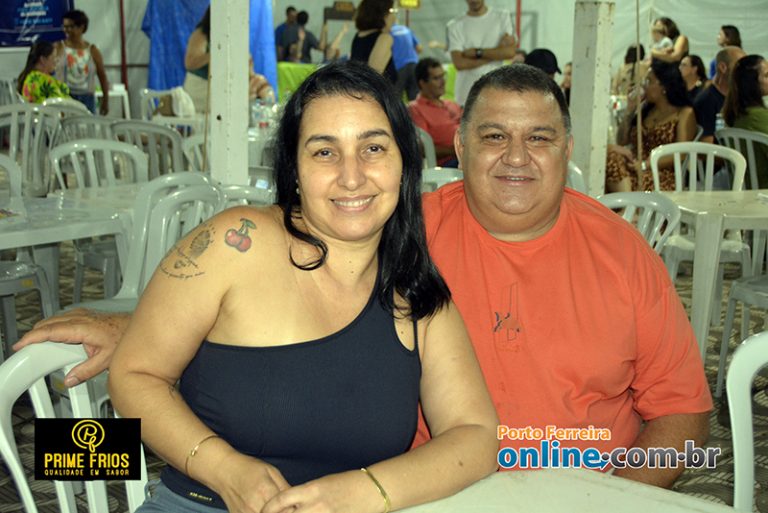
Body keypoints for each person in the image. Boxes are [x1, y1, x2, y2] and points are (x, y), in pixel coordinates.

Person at [17, 64, 712, 489]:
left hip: (512, 485)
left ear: (568, 147)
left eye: (540, 137)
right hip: (337, 490)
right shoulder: (398, 231)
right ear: (456, 146)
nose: (516, 158)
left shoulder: (619, 256)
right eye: (494, 136)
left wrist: (613, 497)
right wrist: (147, 329)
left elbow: (685, 415)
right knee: (72, 455)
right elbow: (256, 305)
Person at [97, 61, 498, 512]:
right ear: (294, 171)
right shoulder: (237, 243)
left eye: (373, 148)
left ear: (404, 164)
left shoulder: (413, 289)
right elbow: (134, 375)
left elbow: (476, 435)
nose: (351, 176)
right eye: (324, 152)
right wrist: (224, 468)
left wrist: (367, 491)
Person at [606, 60, 696, 192]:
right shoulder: (645, 111)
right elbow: (622, 140)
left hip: (660, 174)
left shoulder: (684, 113)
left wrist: (645, 164)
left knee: (615, 178)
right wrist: (630, 110)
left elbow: (681, 153)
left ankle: (627, 202)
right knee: (609, 159)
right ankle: (626, 201)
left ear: (664, 86)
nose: (644, 86)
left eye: (649, 81)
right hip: (632, 167)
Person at [184, 8, 274, 113]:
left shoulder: (234, 35)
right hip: (200, 90)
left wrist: (255, 81)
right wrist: (216, 52)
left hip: (226, 91)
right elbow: (190, 63)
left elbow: (247, 64)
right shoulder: (202, 34)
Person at [446, 0, 516, 106]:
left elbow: (509, 52)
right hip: (466, 95)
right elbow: (460, 63)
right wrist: (497, 51)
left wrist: (477, 53)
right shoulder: (454, 25)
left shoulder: (503, 17)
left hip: (496, 92)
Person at [722, 54, 768, 188]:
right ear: (753, 83)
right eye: (766, 75)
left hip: (745, 188)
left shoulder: (735, 115)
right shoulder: (758, 117)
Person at [408, 57, 462, 167]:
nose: (443, 82)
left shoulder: (451, 104)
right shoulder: (415, 109)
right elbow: (422, 148)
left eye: (443, 76)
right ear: (423, 83)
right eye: (437, 78)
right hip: (448, 163)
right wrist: (455, 150)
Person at [54, 9, 109, 114]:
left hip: (87, 99)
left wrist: (105, 100)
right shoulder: (58, 47)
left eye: (70, 27)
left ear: (82, 27)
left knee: (87, 124)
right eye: (64, 27)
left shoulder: (92, 50)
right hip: (64, 97)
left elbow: (102, 76)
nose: (66, 30)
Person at [693, 45, 746, 144]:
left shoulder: (740, 96)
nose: (745, 71)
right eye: (740, 66)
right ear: (723, 67)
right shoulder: (706, 101)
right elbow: (706, 146)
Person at [350, 0, 397, 85]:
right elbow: (373, 79)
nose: (394, 17)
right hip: (378, 92)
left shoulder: (358, 36)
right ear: (383, 15)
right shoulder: (384, 39)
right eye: (391, 11)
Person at [390, 21, 422, 101]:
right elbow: (419, 48)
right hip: (414, 64)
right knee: (414, 97)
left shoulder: (388, 32)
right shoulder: (406, 29)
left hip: (398, 67)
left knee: (396, 97)